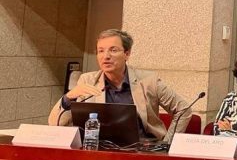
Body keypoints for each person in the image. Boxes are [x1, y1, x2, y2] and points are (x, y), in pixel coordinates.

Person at [48, 29, 191, 143]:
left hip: (143, 151)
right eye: (101, 51)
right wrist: (68, 98)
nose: (106, 56)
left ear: (127, 54)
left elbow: (184, 109)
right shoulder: (88, 80)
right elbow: (55, 124)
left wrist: (168, 143)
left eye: (113, 50)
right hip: (99, 150)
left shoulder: (148, 81)